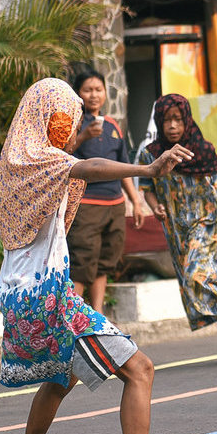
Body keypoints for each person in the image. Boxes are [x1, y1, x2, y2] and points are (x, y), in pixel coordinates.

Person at [0, 78, 198, 434]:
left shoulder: (10, 167)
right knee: (140, 370)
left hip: (20, 298)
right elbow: (90, 168)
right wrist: (147, 169)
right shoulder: (43, 161)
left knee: (63, 375)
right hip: (50, 298)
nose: (70, 128)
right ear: (46, 118)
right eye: (66, 119)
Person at [137, 93, 217, 364]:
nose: (173, 126)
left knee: (197, 272)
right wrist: (155, 206)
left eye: (178, 119)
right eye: (167, 121)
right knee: (200, 279)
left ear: (187, 120)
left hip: (206, 220)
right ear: (159, 123)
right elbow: (147, 189)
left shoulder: (202, 149)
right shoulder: (151, 154)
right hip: (176, 226)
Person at [63, 69, 145, 314]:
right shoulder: (71, 124)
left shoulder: (113, 126)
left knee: (103, 264)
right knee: (81, 263)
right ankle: (73, 319)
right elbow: (62, 157)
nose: (94, 95)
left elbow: (122, 168)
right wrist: (83, 136)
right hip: (85, 205)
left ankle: (97, 317)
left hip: (115, 205)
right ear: (78, 94)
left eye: (98, 90)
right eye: (87, 90)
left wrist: (135, 202)